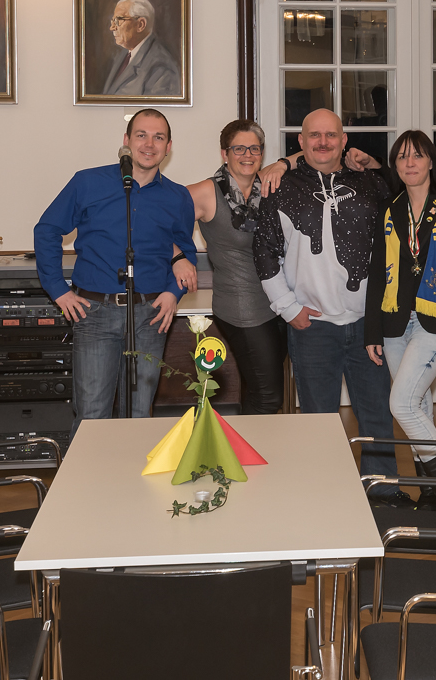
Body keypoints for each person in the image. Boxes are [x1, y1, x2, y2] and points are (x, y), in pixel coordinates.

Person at [253, 109, 407, 506]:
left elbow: (401, 226)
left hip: (367, 325)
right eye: (314, 135)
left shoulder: (370, 183)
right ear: (301, 142)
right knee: (318, 420)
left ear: (344, 140)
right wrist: (288, 309)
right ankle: (322, 496)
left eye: (331, 135)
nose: (323, 142)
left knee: (376, 413)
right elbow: (265, 252)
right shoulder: (280, 188)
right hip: (313, 326)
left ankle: (383, 493)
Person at [34, 109, 197, 437]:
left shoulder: (178, 196)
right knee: (93, 414)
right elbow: (47, 230)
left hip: (151, 316)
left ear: (168, 147)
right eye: (141, 135)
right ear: (126, 141)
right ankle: (88, 472)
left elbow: (185, 252)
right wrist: (58, 289)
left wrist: (173, 292)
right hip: (94, 313)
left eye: (158, 137)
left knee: (139, 413)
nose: (149, 144)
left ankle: (133, 471)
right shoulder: (87, 182)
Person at [364, 131, 436, 509]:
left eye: (417, 155)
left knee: (402, 404)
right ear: (394, 165)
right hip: (394, 321)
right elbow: (377, 273)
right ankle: (431, 495)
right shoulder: (388, 208)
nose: (409, 163)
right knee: (419, 405)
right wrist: (372, 331)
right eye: (402, 157)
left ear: (431, 162)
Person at [176, 119, 288, 415]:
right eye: (239, 148)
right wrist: (178, 258)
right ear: (224, 153)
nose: (247, 155)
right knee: (269, 397)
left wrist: (284, 163)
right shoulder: (206, 192)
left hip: (280, 302)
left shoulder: (267, 185)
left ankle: (245, 443)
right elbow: (155, 221)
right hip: (242, 307)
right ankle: (248, 446)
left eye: (254, 148)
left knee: (256, 388)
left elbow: (312, 151)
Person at [102, 0, 182, 97]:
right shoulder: (125, 54)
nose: (112, 27)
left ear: (140, 25)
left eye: (119, 20)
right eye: (113, 21)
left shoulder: (161, 68)